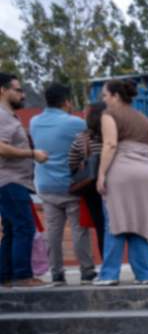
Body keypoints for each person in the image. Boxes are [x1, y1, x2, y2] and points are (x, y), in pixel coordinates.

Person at [94, 79, 148, 286]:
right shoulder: (144, 118)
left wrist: (101, 174)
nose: (104, 100)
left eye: (105, 95)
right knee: (141, 224)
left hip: (122, 171)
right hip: (147, 173)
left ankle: (109, 275)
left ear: (115, 96)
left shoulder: (109, 115)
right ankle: (145, 275)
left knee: (116, 222)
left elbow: (110, 144)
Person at [30, 82, 92, 285]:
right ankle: (86, 271)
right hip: (70, 185)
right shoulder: (75, 123)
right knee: (78, 229)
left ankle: (56, 273)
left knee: (53, 232)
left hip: (45, 186)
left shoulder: (34, 122)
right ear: (67, 101)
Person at [0, 72, 47, 288]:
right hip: (10, 181)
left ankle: (6, 275)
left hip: (13, 181)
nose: (23, 94)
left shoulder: (9, 117)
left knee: (12, 229)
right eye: (18, 90)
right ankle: (22, 275)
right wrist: (31, 154)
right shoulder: (1, 116)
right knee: (24, 227)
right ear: (3, 90)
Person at [68, 102, 106, 260]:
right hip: (114, 184)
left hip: (92, 187)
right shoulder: (112, 135)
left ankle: (107, 264)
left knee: (100, 226)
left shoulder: (82, 138)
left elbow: (71, 162)